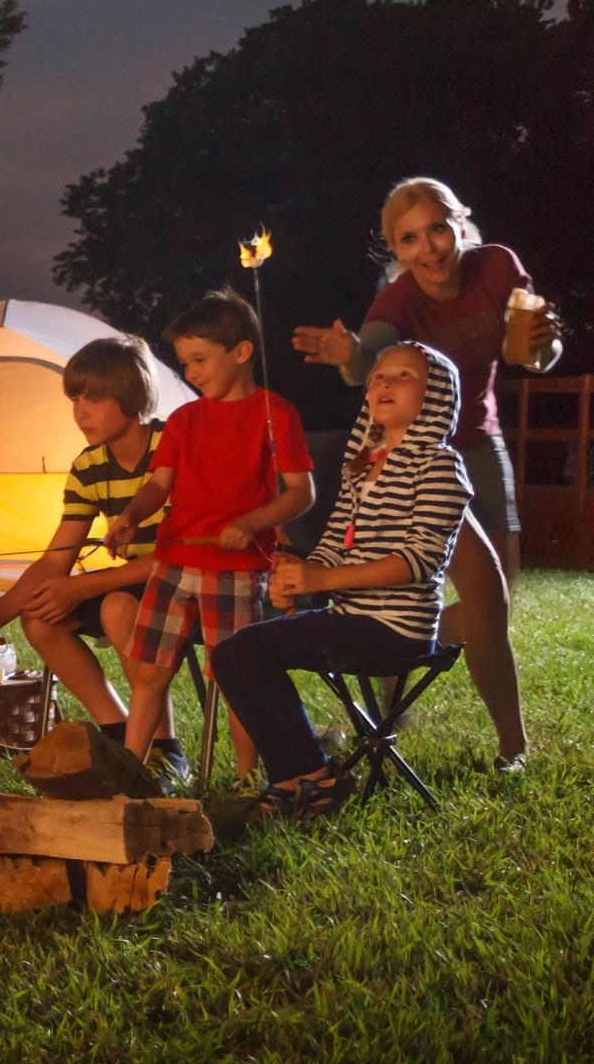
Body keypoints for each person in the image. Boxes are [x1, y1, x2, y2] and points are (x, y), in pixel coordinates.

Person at [290, 177, 558, 770]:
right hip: (417, 455)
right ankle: (497, 739)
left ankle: (399, 649)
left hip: (481, 444)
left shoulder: (498, 268)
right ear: (395, 249)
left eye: (438, 228)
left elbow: (532, 353)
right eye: (409, 239)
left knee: (496, 602)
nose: (430, 247)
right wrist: (349, 358)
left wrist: (545, 344)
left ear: (458, 224)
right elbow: (371, 362)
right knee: (480, 600)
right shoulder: (396, 302)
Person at [213, 342, 471, 820]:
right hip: (350, 617)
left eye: (405, 377)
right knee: (234, 651)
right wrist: (296, 577)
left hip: (396, 629)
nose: (386, 384)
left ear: (436, 398)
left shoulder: (439, 465)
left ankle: (306, 779)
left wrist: (326, 576)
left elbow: (418, 560)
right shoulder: (362, 465)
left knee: (243, 651)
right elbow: (336, 540)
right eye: (378, 377)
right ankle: (305, 772)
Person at [105, 288, 315, 794]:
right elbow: (158, 485)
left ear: (241, 352)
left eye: (200, 360)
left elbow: (302, 493)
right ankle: (133, 774)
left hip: (238, 570)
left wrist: (254, 521)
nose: (191, 372)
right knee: (151, 675)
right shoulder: (184, 420)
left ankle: (246, 778)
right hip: (174, 564)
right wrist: (131, 515)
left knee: (235, 677)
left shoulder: (275, 413)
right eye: (185, 362)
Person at [0, 335, 187, 773]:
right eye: (75, 398)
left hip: (183, 581)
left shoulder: (171, 448)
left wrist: (83, 585)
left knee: (118, 606)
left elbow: (177, 556)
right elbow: (54, 560)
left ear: (132, 395)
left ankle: (163, 748)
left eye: (94, 398)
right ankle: (118, 733)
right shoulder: (88, 467)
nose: (81, 411)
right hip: (131, 582)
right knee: (40, 616)